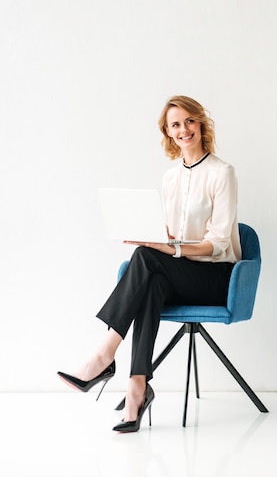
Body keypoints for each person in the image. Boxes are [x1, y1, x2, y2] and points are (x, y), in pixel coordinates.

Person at [58, 95, 241, 433]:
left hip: (217, 278)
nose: (183, 129)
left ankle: (103, 356)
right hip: (179, 274)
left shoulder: (222, 173)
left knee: (144, 258)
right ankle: (137, 388)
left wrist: (164, 249)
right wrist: (156, 237)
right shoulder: (170, 179)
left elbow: (217, 245)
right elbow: (172, 237)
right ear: (168, 133)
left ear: (201, 123)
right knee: (151, 281)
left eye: (189, 120)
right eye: (175, 124)